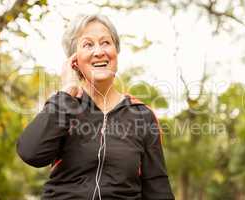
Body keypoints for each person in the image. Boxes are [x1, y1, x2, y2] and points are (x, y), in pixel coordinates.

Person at [16, 13, 175, 200]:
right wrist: (67, 92)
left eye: (106, 42)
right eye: (88, 44)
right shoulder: (62, 107)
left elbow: (157, 187)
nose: (99, 51)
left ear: (116, 51)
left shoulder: (142, 115)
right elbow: (31, 153)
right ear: (74, 61)